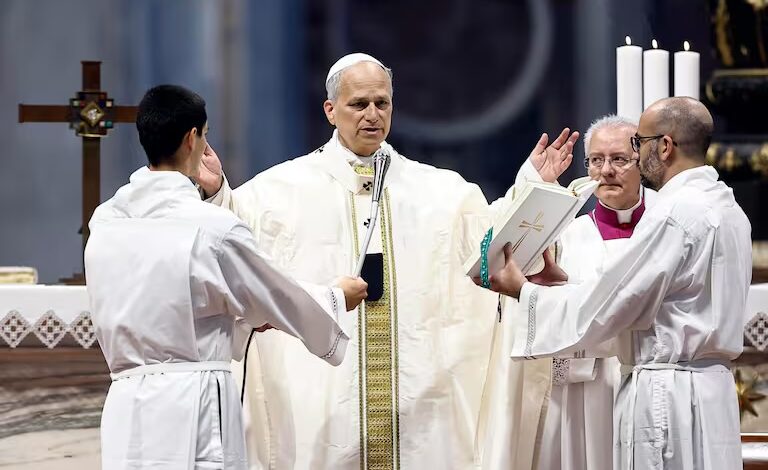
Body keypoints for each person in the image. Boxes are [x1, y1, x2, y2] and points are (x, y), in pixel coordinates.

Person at [197, 53, 578, 469]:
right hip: (322, 401)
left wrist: (532, 185)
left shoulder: (438, 191)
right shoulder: (281, 191)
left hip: (418, 404)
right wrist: (218, 193)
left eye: (382, 103)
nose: (372, 115)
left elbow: (489, 246)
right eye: (359, 104)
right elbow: (233, 241)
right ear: (330, 110)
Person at [84, 84, 367, 470]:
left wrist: (241, 316)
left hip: (127, 402)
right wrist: (335, 297)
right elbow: (276, 295)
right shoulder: (212, 228)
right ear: (192, 139)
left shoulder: (106, 221)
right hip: (193, 403)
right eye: (205, 135)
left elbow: (167, 301)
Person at [480, 97, 752, 470]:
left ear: (665, 146)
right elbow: (655, 305)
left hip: (668, 396)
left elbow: (614, 307)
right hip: (708, 394)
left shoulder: (673, 214)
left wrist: (526, 293)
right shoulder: (728, 207)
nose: (622, 163)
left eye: (635, 146)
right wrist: (562, 287)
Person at [537, 114, 656, 470]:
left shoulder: (665, 227)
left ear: (643, 163)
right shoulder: (566, 237)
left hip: (649, 379)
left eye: (619, 159)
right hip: (587, 387)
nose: (606, 171)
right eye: (596, 160)